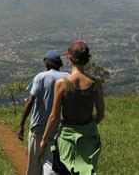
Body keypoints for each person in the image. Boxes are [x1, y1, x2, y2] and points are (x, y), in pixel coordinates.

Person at [40, 40, 105, 174]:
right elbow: (100, 115)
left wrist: (44, 139)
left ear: (69, 58)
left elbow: (53, 116)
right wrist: (88, 126)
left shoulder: (62, 84)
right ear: (87, 60)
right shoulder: (96, 84)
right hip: (89, 139)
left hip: (66, 140)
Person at [18, 50, 69, 175]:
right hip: (57, 127)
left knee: (34, 162)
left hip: (38, 126)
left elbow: (30, 101)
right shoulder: (67, 77)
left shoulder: (41, 77)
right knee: (50, 161)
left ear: (46, 63)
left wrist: (21, 125)